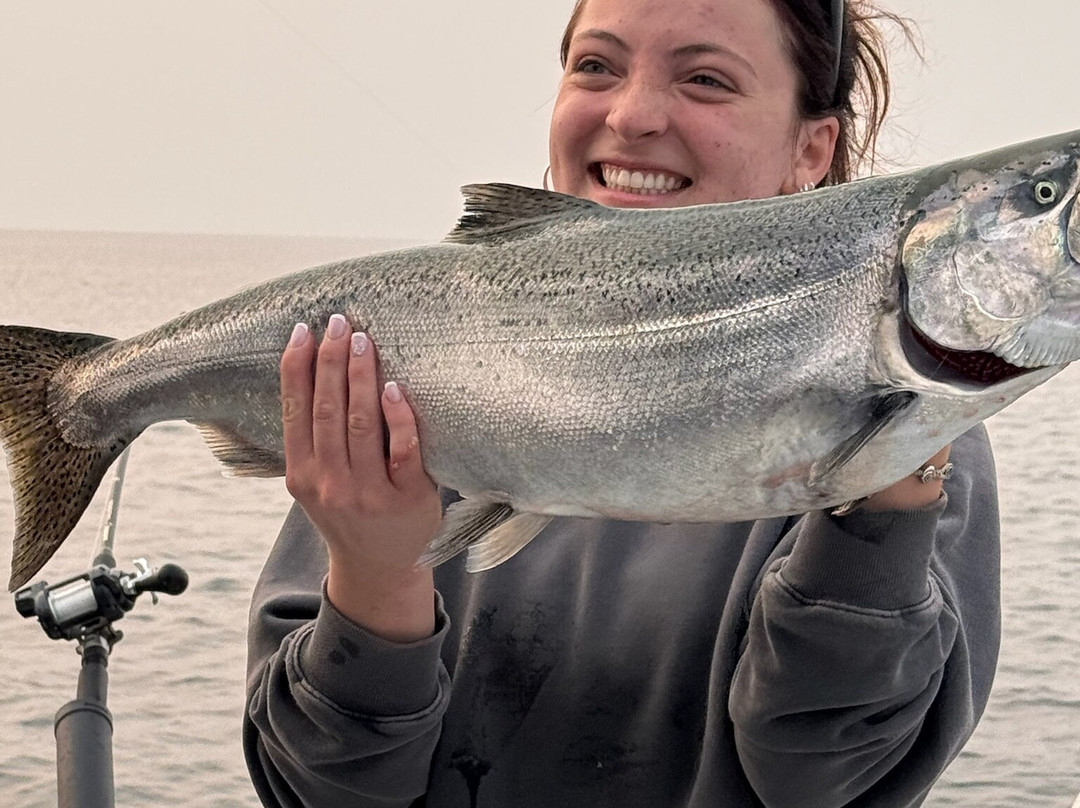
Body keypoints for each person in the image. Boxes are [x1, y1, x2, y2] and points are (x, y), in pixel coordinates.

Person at [244, 0, 1001, 805]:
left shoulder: (920, 444)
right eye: (596, 66)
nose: (632, 115)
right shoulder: (406, 383)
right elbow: (313, 791)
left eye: (705, 79)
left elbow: (826, 780)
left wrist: (883, 504)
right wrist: (377, 575)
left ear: (810, 148)